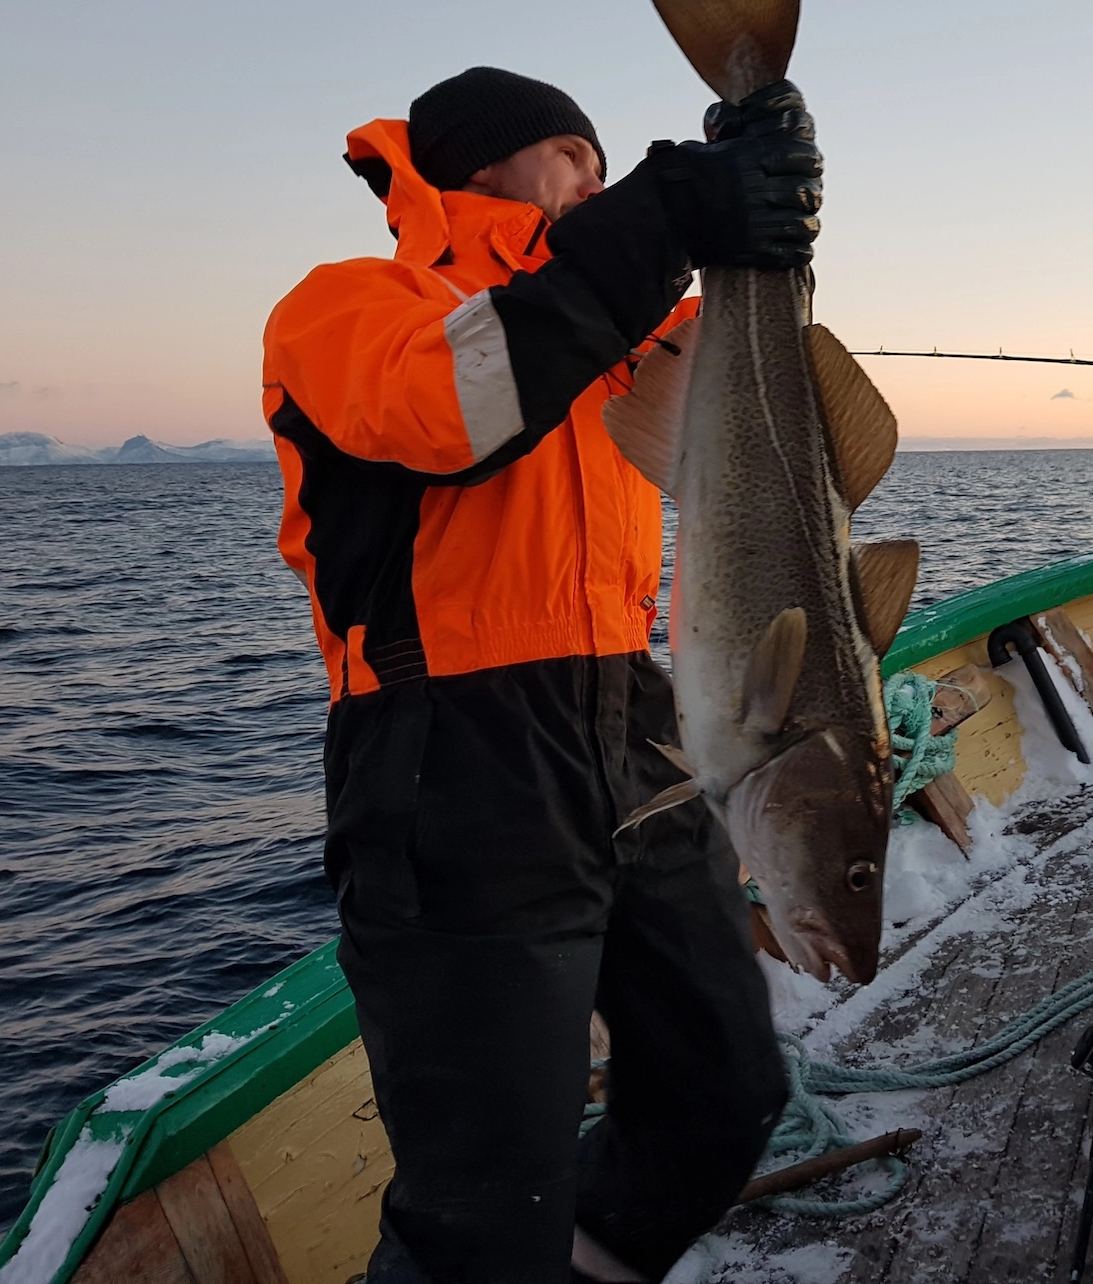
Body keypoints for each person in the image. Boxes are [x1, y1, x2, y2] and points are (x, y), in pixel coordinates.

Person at [261, 65, 822, 1282]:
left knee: (727, 1090)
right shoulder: (352, 306)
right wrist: (671, 209)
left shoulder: (613, 320)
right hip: (452, 762)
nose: (593, 179)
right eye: (573, 155)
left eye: (604, 166)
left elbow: (751, 381)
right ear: (488, 161)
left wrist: (764, 209)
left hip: (638, 737)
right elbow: (451, 410)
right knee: (481, 1202)